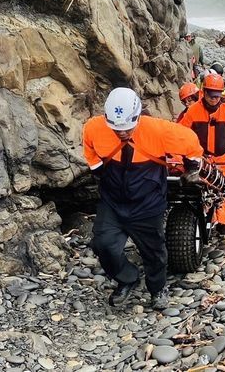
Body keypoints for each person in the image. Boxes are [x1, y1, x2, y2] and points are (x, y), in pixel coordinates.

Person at [82, 87, 204, 308]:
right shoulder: (94, 128)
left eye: (127, 128)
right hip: (113, 201)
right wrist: (97, 168)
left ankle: (157, 289)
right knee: (103, 244)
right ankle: (127, 278)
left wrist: (191, 167)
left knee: (154, 251)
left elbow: (191, 142)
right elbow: (89, 148)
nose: (122, 133)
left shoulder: (158, 130)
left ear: (138, 116)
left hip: (147, 202)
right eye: (116, 129)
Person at [179, 74, 225, 234]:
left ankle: (222, 223)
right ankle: (205, 218)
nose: (214, 99)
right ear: (204, 91)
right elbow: (181, 134)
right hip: (202, 158)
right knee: (200, 189)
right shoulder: (193, 111)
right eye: (210, 95)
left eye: (217, 95)